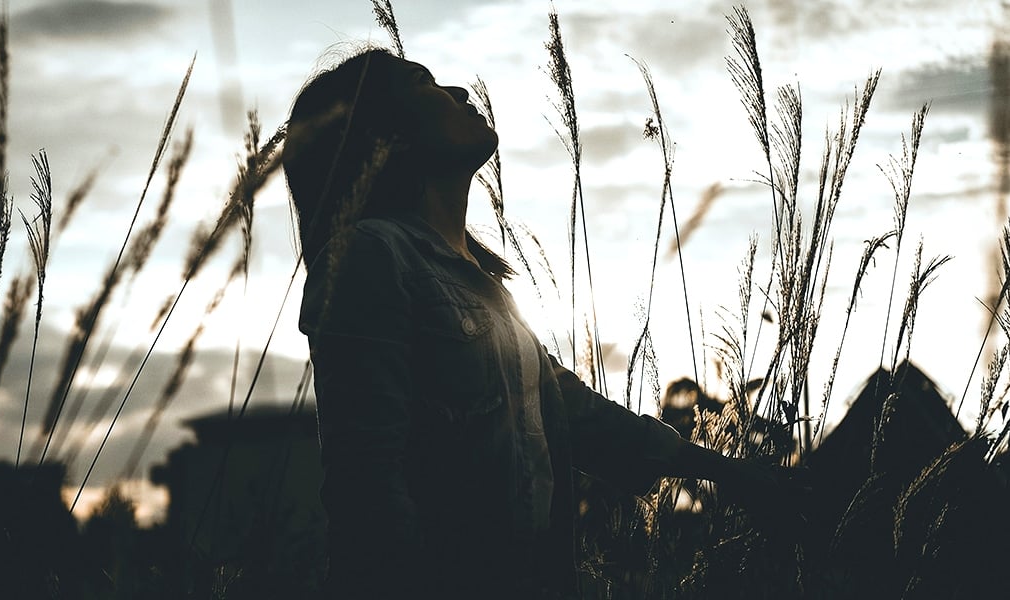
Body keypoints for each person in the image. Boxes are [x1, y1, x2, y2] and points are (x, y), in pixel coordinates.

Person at [286, 47, 796, 600]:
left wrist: (729, 473)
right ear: (391, 136)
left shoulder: (485, 289)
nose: (458, 92)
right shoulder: (371, 255)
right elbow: (367, 481)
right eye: (423, 83)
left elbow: (578, 415)